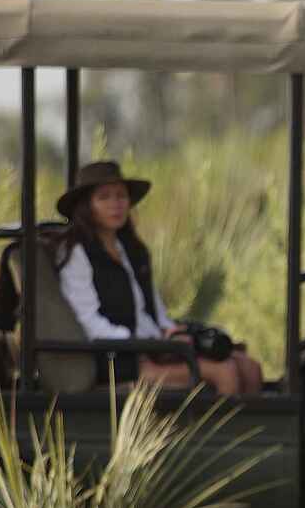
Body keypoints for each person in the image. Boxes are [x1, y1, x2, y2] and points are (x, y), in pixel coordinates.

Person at [54, 161, 263, 396]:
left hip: (149, 346)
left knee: (250, 368)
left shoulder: (132, 250)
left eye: (121, 196)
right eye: (104, 197)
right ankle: (223, 433)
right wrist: (145, 344)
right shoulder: (76, 252)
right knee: (225, 372)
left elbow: (153, 312)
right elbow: (89, 323)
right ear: (87, 206)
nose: (116, 205)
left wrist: (171, 332)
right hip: (116, 357)